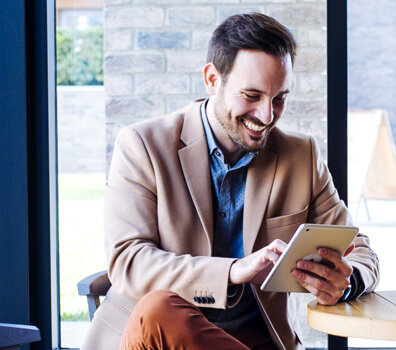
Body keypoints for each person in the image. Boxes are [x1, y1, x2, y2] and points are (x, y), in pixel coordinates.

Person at [82, 13, 379, 350]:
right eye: (252, 95)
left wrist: (346, 280)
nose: (266, 116)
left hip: (255, 341)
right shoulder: (143, 145)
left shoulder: (301, 156)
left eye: (279, 98)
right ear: (212, 79)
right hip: (156, 337)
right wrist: (233, 270)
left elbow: (361, 250)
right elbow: (128, 261)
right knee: (158, 309)